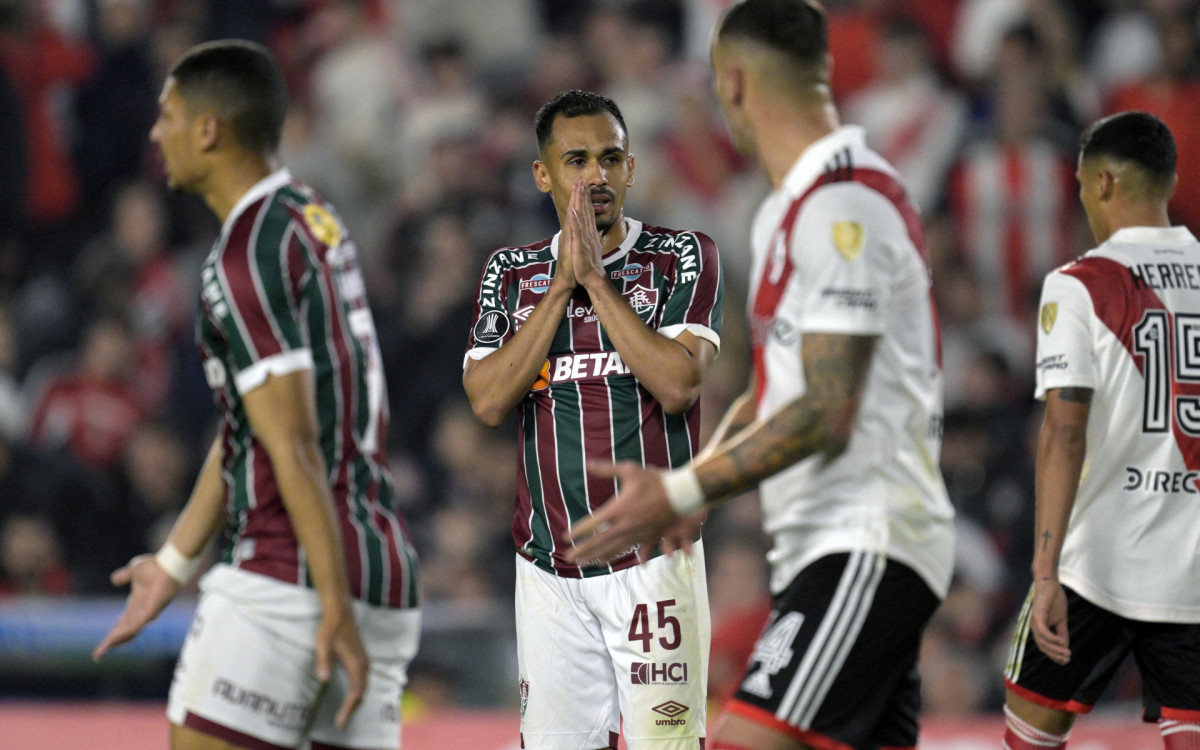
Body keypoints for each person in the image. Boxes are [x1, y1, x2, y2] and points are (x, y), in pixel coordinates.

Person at [568, 2, 956, 749]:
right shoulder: (787, 211)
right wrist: (701, 487)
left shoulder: (843, 203)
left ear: (734, 83)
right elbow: (772, 393)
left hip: (868, 539)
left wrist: (684, 489)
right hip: (825, 544)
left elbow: (827, 409)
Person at [92, 40, 420, 750]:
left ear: (209, 129)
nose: (157, 134)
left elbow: (292, 440)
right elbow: (260, 424)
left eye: (168, 116)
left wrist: (327, 603)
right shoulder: (313, 220)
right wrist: (175, 563)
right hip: (379, 570)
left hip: (291, 577)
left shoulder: (242, 257)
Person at [463, 89, 723, 750]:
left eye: (611, 158)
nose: (597, 175)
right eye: (576, 160)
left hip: (653, 567)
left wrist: (598, 284)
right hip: (549, 571)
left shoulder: (682, 256)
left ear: (632, 168)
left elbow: (678, 384)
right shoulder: (512, 274)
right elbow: (489, 400)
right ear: (542, 175)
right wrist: (560, 284)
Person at [1001, 112, 1200, 749]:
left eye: (1084, 185)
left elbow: (1063, 430)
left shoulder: (1078, 286)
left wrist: (1044, 568)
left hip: (1097, 563)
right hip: (1193, 569)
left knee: (1028, 732)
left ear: (1106, 183)